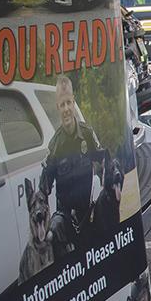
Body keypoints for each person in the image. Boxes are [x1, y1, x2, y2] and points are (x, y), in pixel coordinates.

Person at [39, 76, 102, 256]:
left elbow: (103, 162)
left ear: (73, 102)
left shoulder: (88, 134)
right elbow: (43, 190)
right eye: (62, 105)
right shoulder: (55, 146)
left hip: (88, 214)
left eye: (68, 103)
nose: (66, 109)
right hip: (66, 222)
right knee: (55, 230)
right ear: (57, 108)